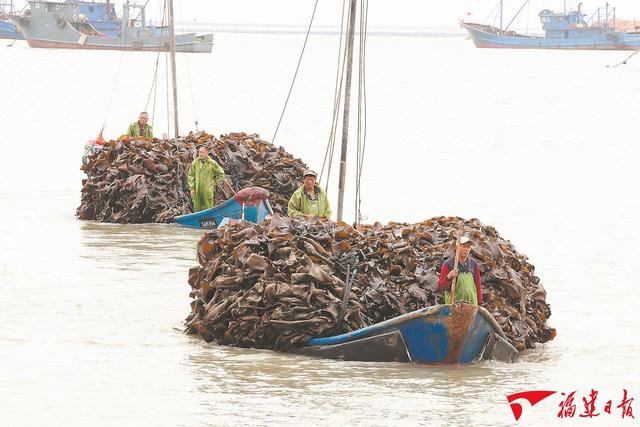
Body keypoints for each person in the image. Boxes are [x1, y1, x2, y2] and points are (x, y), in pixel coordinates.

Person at [437, 236, 484, 305]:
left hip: (471, 304)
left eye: (468, 247)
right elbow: (441, 287)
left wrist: (479, 302)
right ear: (457, 247)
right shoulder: (448, 264)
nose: (466, 249)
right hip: (454, 305)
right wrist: (448, 277)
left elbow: (477, 285)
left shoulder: (474, 264)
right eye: (464, 246)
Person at [187, 145, 225, 212]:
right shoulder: (195, 163)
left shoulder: (212, 163)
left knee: (209, 211)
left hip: (208, 191)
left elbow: (221, 173)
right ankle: (197, 221)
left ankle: (209, 221)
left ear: (207, 153)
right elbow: (190, 175)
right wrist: (192, 188)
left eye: (202, 152)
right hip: (197, 192)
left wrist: (214, 182)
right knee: (197, 211)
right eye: (199, 152)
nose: (200, 154)